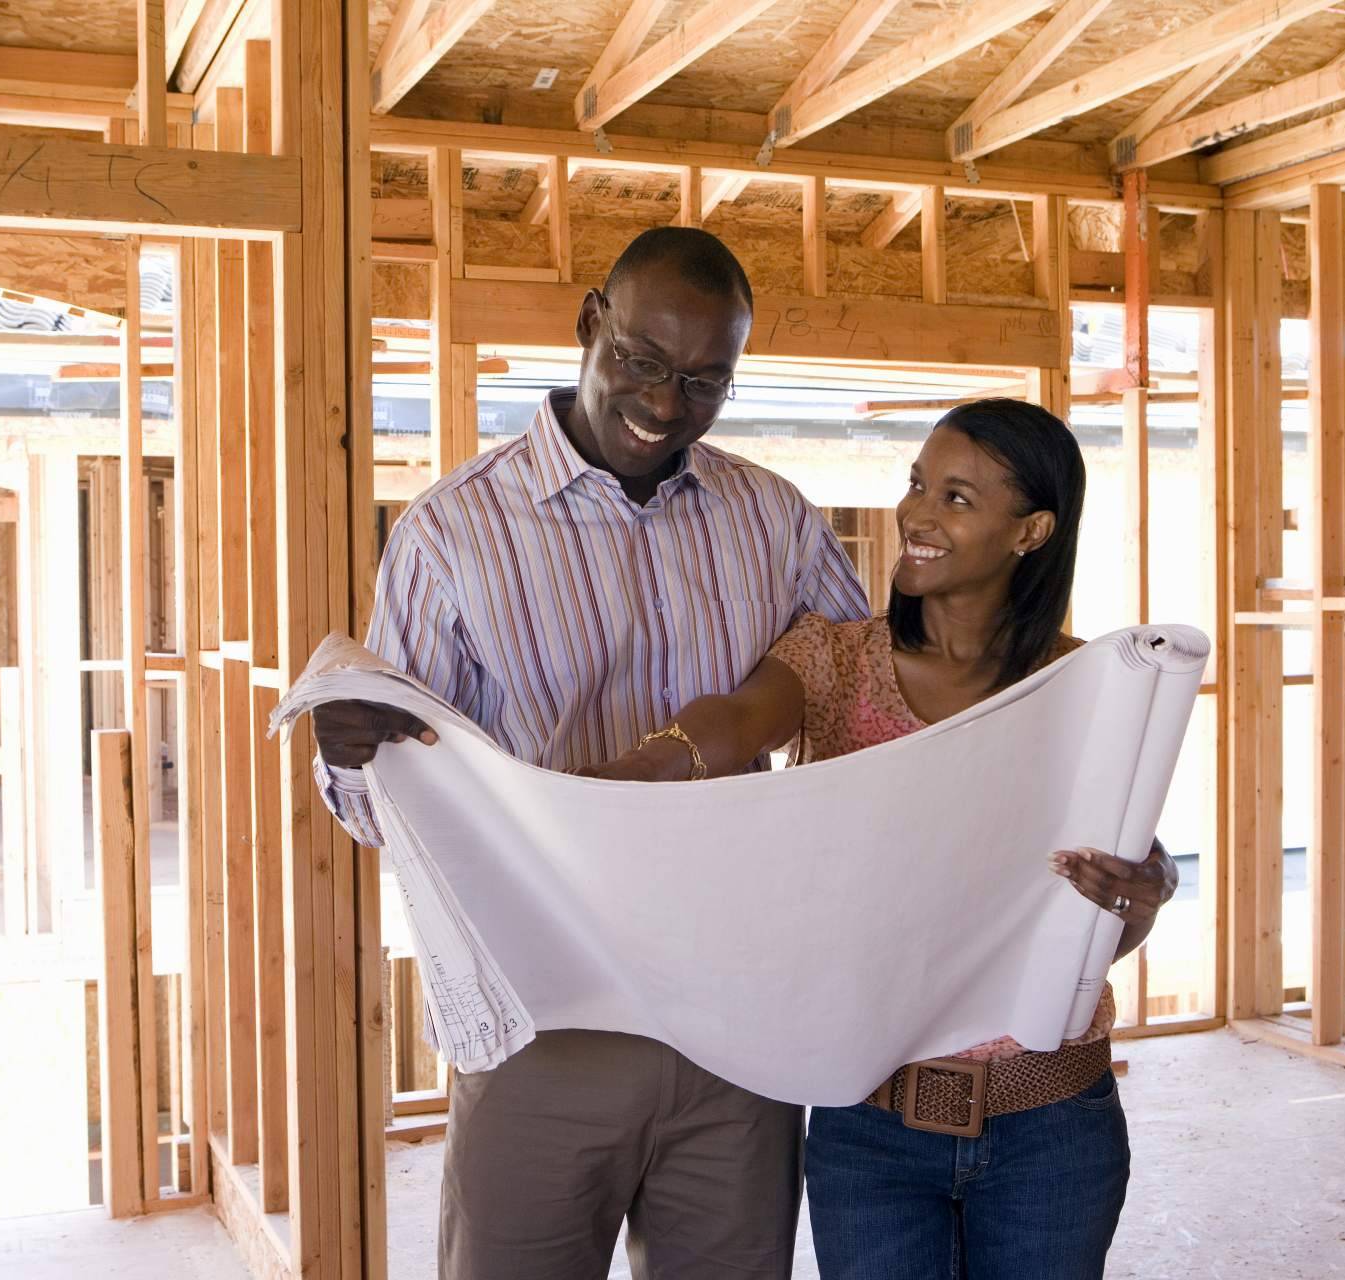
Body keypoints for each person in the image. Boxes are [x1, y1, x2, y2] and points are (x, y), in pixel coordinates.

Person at [308, 227, 870, 1279]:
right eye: (644, 361)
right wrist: (355, 756)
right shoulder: (450, 534)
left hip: (735, 1018)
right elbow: (385, 813)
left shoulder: (774, 517)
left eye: (706, 380)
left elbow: (863, 697)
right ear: (587, 323)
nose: (666, 403)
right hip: (543, 1017)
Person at [584, 398, 1178, 1280]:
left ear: (1033, 530)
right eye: (916, 484)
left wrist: (1143, 894)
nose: (917, 515)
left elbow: (1120, 897)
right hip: (870, 1124)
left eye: (957, 497)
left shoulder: (1085, 685)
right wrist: (637, 775)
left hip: (1052, 1126)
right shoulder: (836, 659)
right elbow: (737, 718)